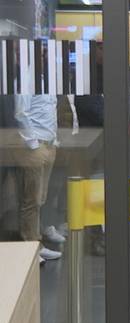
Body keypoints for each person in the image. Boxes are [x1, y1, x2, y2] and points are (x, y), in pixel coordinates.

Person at [14, 94, 63, 262]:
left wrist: (54, 140)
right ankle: (31, 247)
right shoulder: (27, 78)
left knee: (41, 197)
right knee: (31, 200)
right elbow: (21, 112)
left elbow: (50, 111)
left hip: (49, 144)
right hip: (35, 146)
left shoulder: (46, 80)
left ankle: (37, 242)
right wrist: (32, 143)